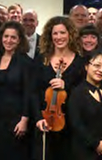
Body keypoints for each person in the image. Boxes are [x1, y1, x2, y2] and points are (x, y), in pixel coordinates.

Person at [34, 16, 86, 160]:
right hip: (46, 120)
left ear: (70, 34)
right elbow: (34, 92)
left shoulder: (81, 61)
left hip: (72, 122)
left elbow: (85, 92)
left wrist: (66, 86)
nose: (59, 37)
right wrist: (38, 118)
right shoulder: (41, 59)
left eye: (62, 32)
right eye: (55, 33)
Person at [0, 21, 33, 160]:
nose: (8, 40)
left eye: (13, 37)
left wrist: (24, 120)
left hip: (16, 120)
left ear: (19, 40)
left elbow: (29, 92)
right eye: (6, 36)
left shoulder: (26, 62)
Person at [68, 50, 102, 160]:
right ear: (87, 66)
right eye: (97, 65)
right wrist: (95, 144)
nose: (101, 70)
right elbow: (76, 123)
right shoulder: (77, 93)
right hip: (84, 151)